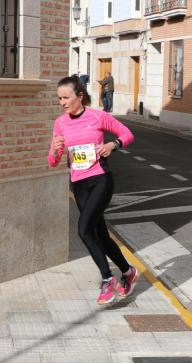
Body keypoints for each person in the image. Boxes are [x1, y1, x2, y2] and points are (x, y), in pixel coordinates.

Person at [47, 75, 139, 305]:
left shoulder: (97, 116)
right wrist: (56, 150)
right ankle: (128, 272)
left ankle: (107, 279)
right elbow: (52, 161)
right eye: (59, 98)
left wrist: (112, 144)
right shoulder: (60, 123)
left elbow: (127, 134)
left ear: (80, 96)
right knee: (101, 235)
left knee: (84, 229)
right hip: (78, 184)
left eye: (66, 97)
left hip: (100, 179)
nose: (62, 102)